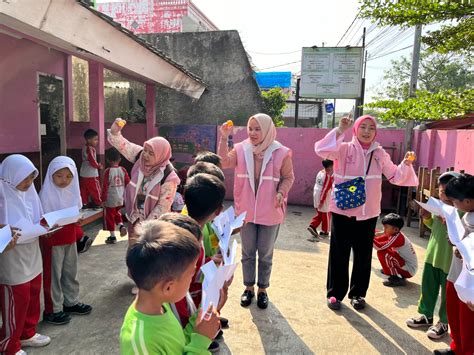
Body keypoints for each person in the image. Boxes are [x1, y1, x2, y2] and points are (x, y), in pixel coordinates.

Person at [315, 115, 418, 311]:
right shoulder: (343, 148)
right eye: (363, 126)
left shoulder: (379, 153)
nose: (367, 131)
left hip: (368, 214)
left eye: (371, 127)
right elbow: (322, 150)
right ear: (355, 129)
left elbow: (395, 176)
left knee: (362, 256)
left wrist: (406, 163)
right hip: (342, 211)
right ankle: (335, 294)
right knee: (339, 254)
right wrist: (339, 131)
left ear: (376, 132)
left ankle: (358, 294)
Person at [218, 113, 295, 309]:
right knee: (248, 252)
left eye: (257, 128)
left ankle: (263, 290)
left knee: (266, 254)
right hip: (246, 211)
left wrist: (281, 192)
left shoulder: (281, 152)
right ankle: (248, 288)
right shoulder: (241, 149)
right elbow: (224, 162)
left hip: (270, 212)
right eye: (250, 128)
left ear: (268, 129)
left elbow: (288, 178)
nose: (252, 132)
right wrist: (224, 137)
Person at [120, 220, 220, 354]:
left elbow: (179, 345)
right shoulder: (140, 343)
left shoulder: (162, 306)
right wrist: (200, 342)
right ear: (168, 287)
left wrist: (201, 316)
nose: (192, 280)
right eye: (191, 275)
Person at [0, 155, 51, 354]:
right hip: (12, 257)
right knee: (17, 299)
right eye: (24, 178)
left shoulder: (30, 192)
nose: (29, 183)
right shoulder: (2, 193)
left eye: (31, 178)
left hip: (31, 251)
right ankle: (8, 344)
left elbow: (37, 216)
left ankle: (27, 333)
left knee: (32, 293)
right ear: (11, 176)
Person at [39, 157, 93, 325]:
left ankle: (71, 302)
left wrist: (78, 220)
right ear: (50, 176)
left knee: (70, 271)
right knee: (53, 275)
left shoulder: (72, 192)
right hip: (52, 241)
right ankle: (53, 310)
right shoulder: (45, 195)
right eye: (59, 176)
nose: (64, 180)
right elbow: (40, 220)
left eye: (69, 176)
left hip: (69, 238)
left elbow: (75, 212)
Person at [406, 172, 460, 339]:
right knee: (428, 286)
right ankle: (425, 315)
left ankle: (444, 322)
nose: (441, 194)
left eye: (445, 191)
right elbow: (434, 228)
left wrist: (451, 223)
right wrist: (428, 218)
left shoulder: (462, 212)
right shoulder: (439, 206)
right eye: (440, 191)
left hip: (449, 260)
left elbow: (462, 236)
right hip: (432, 254)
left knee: (446, 293)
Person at [434, 174, 474, 355]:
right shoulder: (468, 212)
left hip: (469, 280)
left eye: (454, 201)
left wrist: (464, 247)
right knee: (454, 313)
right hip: (456, 271)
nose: (453, 204)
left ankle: (466, 351)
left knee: (468, 321)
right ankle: (456, 347)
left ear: (467, 201)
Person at [183, 173, 226, 309]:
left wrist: (209, 261)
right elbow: (190, 280)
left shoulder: (183, 230)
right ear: (219, 211)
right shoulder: (193, 242)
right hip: (190, 307)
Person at [373, 213, 417, 287]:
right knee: (386, 250)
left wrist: (368, 236)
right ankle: (390, 270)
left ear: (396, 229)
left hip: (408, 270)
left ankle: (394, 278)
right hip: (405, 265)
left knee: (382, 252)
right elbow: (379, 239)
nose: (384, 229)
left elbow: (379, 247)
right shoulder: (395, 234)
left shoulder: (397, 238)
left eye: (386, 227)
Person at [101, 147, 130, 244]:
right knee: (117, 213)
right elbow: (128, 183)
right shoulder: (123, 170)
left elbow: (105, 187)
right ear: (120, 159)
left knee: (109, 216)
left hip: (110, 199)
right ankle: (121, 226)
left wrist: (103, 199)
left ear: (107, 160)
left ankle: (112, 236)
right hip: (120, 198)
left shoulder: (107, 171)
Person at [308, 159, 334, 241]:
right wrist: (322, 201)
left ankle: (313, 226)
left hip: (316, 194)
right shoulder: (328, 176)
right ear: (330, 166)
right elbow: (325, 189)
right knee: (326, 213)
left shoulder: (320, 172)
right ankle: (325, 231)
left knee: (320, 213)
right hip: (323, 196)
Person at [79, 128, 102, 209]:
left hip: (83, 173)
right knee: (95, 188)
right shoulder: (90, 148)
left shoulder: (84, 147)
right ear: (89, 140)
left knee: (84, 189)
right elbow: (92, 160)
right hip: (91, 173)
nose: (97, 141)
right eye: (95, 139)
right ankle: (98, 203)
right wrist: (98, 166)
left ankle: (84, 203)